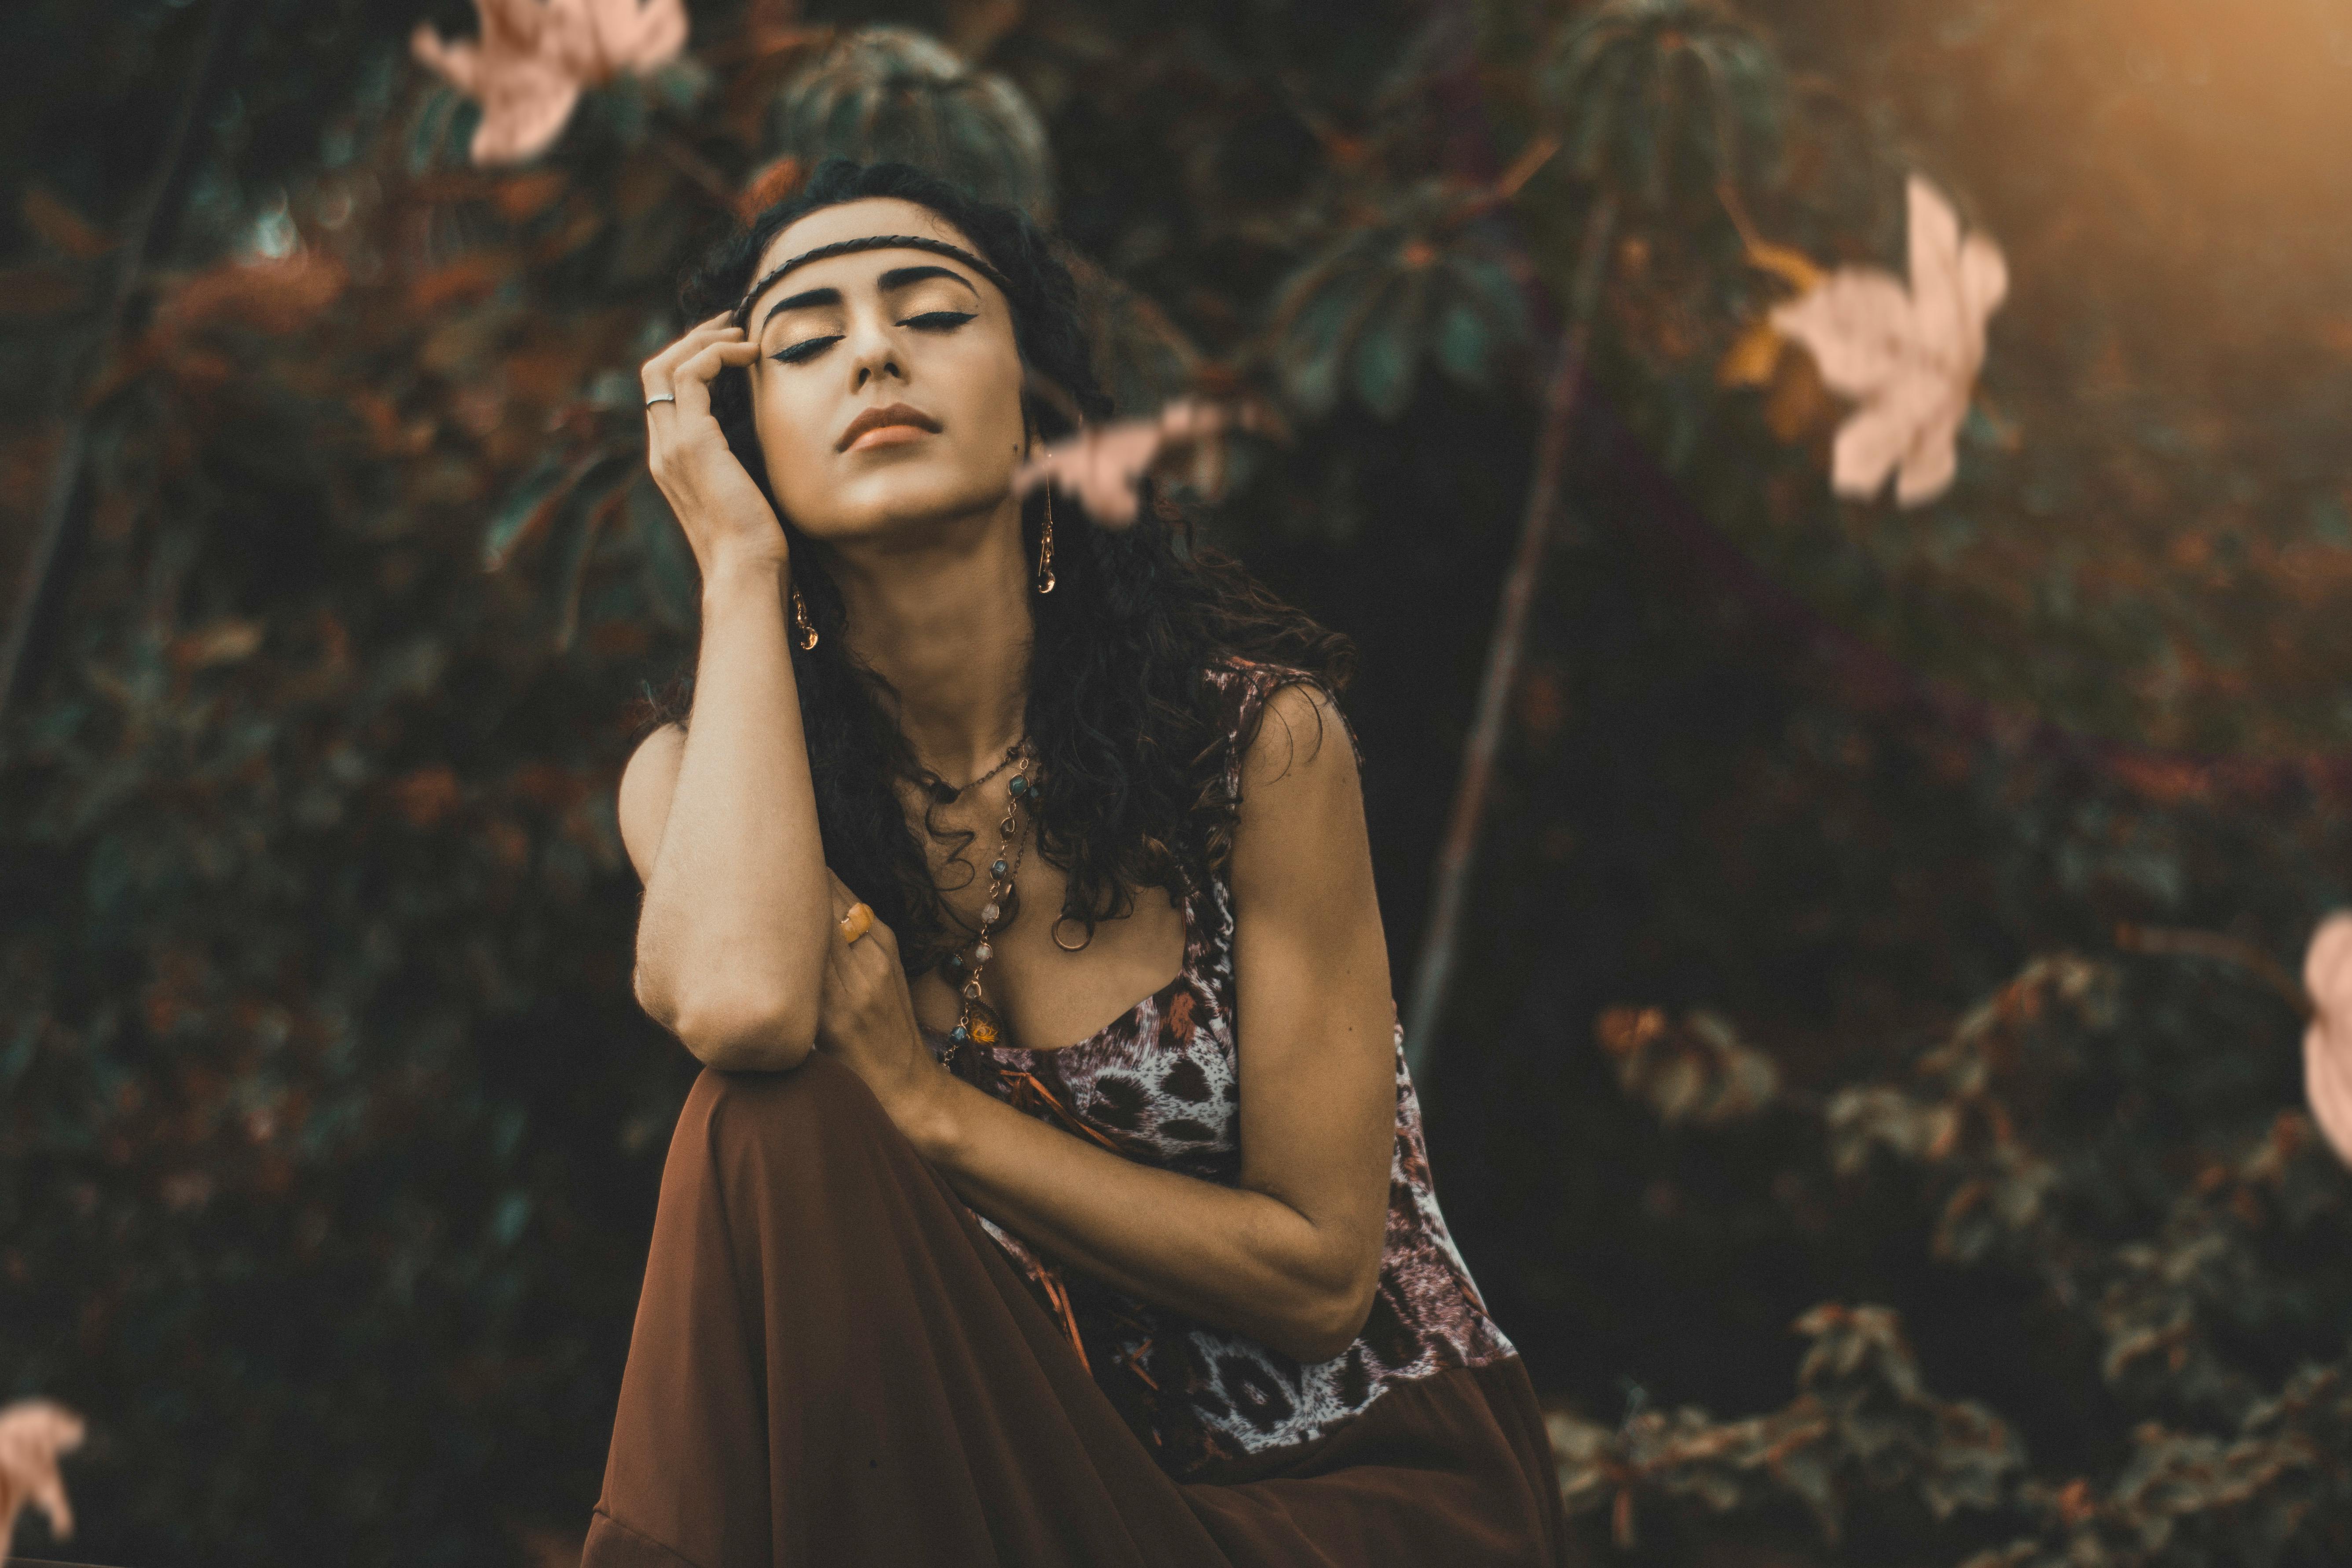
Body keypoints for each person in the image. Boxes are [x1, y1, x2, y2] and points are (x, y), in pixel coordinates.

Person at [586, 157, 1571, 1567]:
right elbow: (742, 1007)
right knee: (769, 1118)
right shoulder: (696, 786)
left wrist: (932, 1114)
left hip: (1343, 1494)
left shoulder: (1255, 751)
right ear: (742, 442)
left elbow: (1317, 1275)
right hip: (1014, 1482)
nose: (870, 349)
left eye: (929, 314)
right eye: (801, 341)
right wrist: (737, 560)